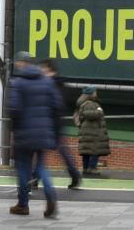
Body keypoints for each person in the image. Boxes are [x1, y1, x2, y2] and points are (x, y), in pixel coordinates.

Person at [8, 51, 60, 218]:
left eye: (18, 63)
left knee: (23, 168)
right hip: (44, 132)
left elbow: (14, 109)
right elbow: (56, 106)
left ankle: (23, 204)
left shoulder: (19, 83)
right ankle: (51, 195)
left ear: (22, 63)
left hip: (24, 133)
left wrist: (15, 131)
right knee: (41, 166)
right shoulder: (47, 82)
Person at [39, 59, 82, 188]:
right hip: (58, 122)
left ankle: (34, 178)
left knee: (40, 152)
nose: (41, 71)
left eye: (42, 68)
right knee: (63, 152)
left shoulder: (47, 84)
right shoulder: (61, 83)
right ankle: (75, 175)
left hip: (48, 123)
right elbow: (71, 100)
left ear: (48, 68)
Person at [75, 86, 110, 176]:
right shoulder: (89, 103)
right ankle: (92, 168)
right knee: (95, 150)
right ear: (91, 93)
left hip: (88, 131)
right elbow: (89, 115)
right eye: (95, 92)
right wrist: (99, 111)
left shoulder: (84, 103)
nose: (96, 93)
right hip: (92, 132)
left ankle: (86, 169)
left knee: (87, 152)